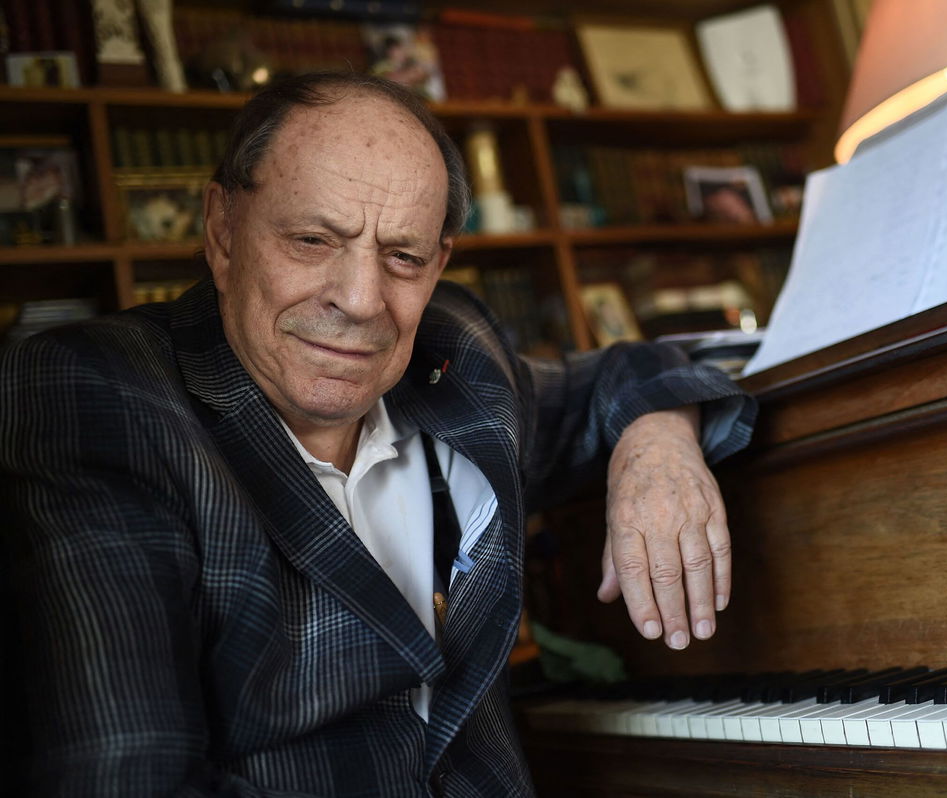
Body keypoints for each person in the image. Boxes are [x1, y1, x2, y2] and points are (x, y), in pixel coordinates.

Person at [0, 72, 755, 796]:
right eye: (313, 241)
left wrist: (658, 447)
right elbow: (127, 775)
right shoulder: (98, 392)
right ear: (223, 231)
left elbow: (623, 375)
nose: (363, 301)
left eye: (402, 257)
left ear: (440, 264)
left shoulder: (456, 352)